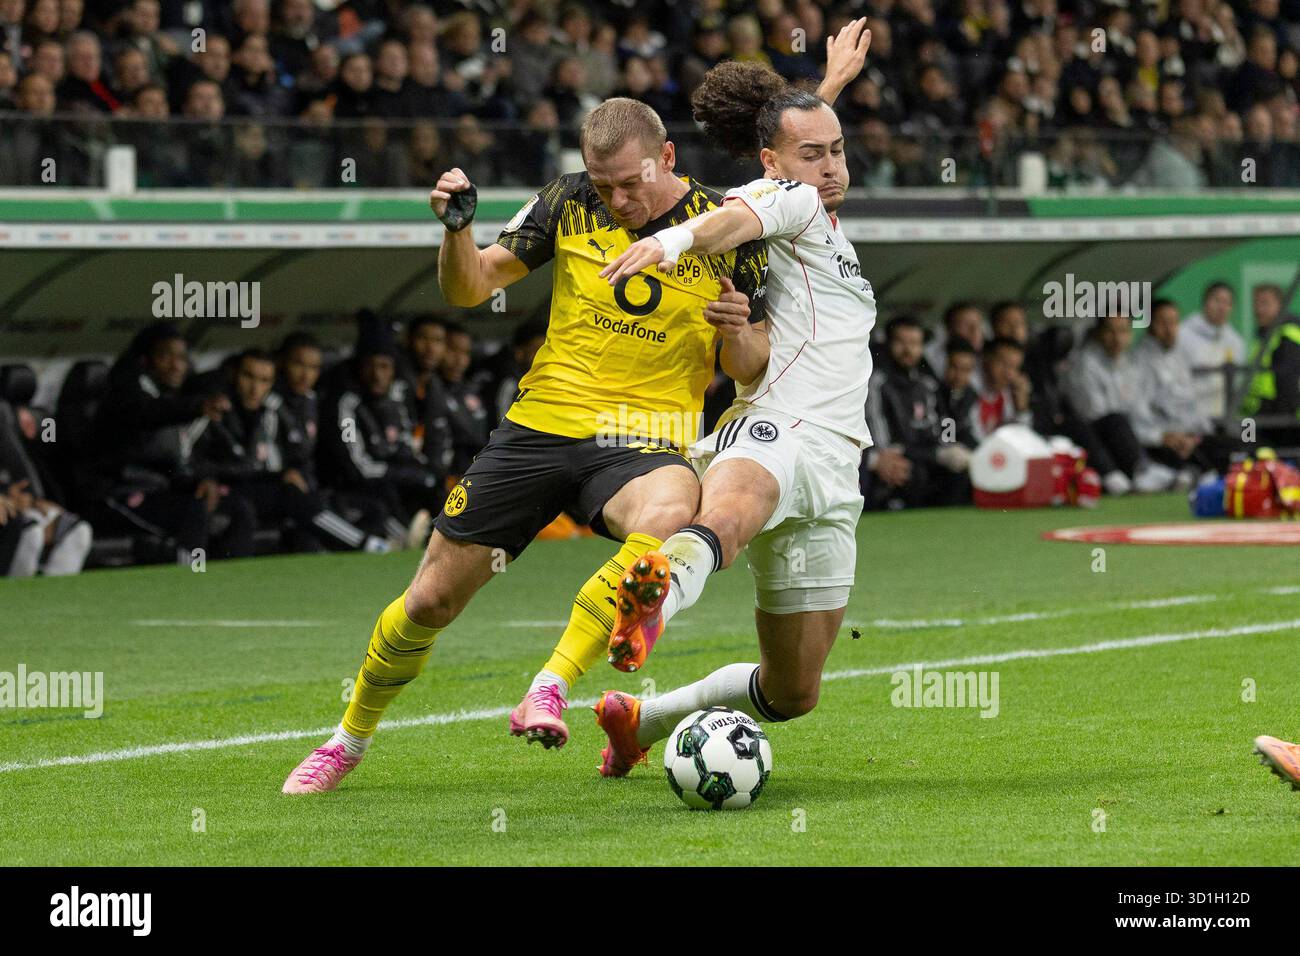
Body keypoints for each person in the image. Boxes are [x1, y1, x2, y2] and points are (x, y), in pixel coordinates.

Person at [280, 20, 872, 794]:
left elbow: (753, 340)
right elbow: (468, 287)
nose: (619, 201)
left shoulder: (728, 227)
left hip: (647, 435)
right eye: (605, 188)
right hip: (541, 426)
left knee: (668, 520)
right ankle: (346, 739)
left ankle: (553, 684)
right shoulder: (566, 204)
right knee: (428, 598)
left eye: (631, 184)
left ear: (666, 158)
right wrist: (456, 231)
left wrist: (730, 324)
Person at [585, 44, 879, 777]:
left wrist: (833, 83)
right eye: (815, 155)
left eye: (838, 151)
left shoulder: (817, 226)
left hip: (837, 465)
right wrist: (669, 242)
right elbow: (734, 216)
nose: (833, 167)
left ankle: (640, 721)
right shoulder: (789, 199)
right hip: (780, 427)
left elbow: (748, 355)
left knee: (792, 692)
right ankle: (655, 594)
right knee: (731, 515)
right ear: (774, 161)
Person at [1175, 281, 1246, 420]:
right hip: (1188, 419)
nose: (1222, 307)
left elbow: (1237, 384)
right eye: (1217, 300)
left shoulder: (1236, 342)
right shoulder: (1182, 335)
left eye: (1227, 303)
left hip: (1224, 418)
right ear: (1205, 302)